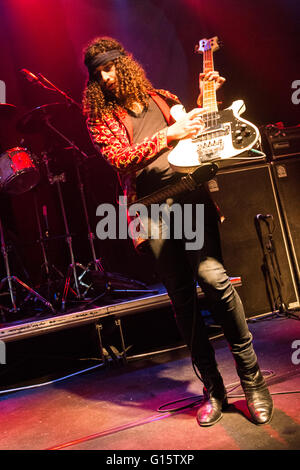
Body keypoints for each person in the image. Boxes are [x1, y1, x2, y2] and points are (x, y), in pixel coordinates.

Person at [82, 36, 273, 427]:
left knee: (214, 278)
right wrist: (167, 136)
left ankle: (253, 383)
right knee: (182, 299)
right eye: (98, 72)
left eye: (111, 66)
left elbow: (198, 130)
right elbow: (120, 159)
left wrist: (205, 103)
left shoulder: (162, 97)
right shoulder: (100, 117)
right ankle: (214, 391)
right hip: (149, 210)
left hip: (190, 195)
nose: (107, 76)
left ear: (126, 62)